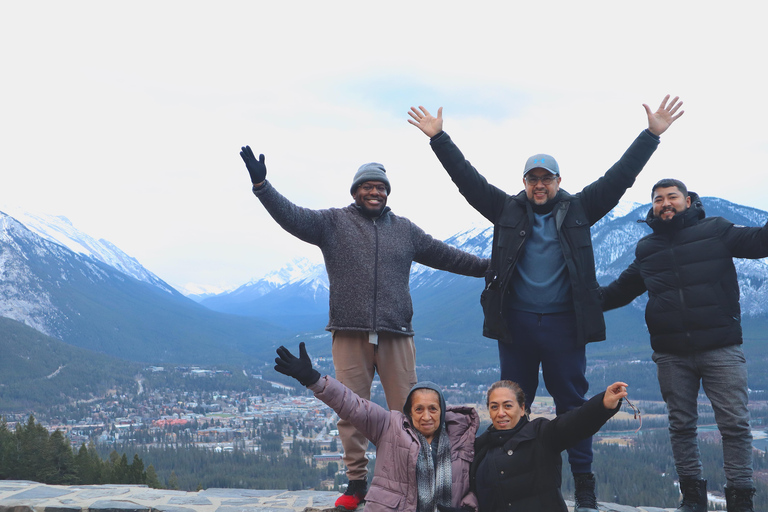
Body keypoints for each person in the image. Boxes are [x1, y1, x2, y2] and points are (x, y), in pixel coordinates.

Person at [408, 95, 684, 511]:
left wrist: (650, 135)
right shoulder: (505, 209)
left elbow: (620, 177)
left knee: (573, 407)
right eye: (532, 179)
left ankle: (585, 488)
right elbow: (466, 181)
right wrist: (439, 138)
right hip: (516, 326)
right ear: (524, 183)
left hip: (563, 326)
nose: (540, 185)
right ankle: (512, 490)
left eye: (547, 178)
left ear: (558, 180)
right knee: (510, 408)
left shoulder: (580, 208)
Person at [239, 147, 489, 510]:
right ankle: (356, 483)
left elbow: (446, 255)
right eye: (368, 187)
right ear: (355, 191)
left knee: (409, 411)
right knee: (350, 411)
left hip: (396, 333)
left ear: (387, 193)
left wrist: (487, 267)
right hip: (349, 332)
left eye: (381, 188)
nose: (375, 192)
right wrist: (262, 185)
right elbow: (291, 217)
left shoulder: (405, 230)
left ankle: (418, 479)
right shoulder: (332, 223)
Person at [600, 179, 767, 512]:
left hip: (721, 347)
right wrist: (567, 297)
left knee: (734, 424)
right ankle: (692, 498)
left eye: (671, 197)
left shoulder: (717, 230)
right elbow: (616, 292)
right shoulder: (647, 249)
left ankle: (740, 499)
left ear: (688, 201)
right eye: (658, 199)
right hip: (671, 353)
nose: (665, 203)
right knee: (681, 425)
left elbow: (761, 242)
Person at [275, 342, 479, 512]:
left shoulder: (461, 438)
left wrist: (469, 507)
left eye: (433, 409)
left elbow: (475, 484)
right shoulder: (390, 426)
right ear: (408, 411)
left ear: (442, 410)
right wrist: (313, 379)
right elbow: (351, 404)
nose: (426, 416)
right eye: (419, 409)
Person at [470, 379, 627, 512]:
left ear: (522, 408)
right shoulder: (480, 450)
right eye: (494, 407)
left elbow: (574, 424)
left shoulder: (540, 434)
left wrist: (603, 404)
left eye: (508, 406)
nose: (501, 413)